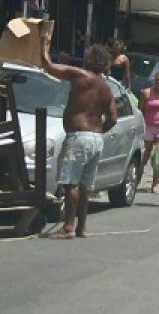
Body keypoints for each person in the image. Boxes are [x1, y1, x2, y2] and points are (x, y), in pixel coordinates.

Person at [40, 33, 117, 239]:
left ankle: (68, 226)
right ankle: (81, 227)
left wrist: (44, 43)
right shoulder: (106, 87)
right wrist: (98, 132)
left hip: (79, 136)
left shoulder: (81, 75)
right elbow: (113, 118)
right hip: (96, 138)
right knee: (84, 186)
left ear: (90, 59)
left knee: (70, 183)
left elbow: (48, 66)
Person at [137, 69, 159, 193]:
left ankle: (155, 184)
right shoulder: (147, 93)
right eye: (157, 79)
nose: (158, 82)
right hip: (148, 127)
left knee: (158, 157)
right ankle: (136, 180)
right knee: (145, 155)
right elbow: (140, 110)